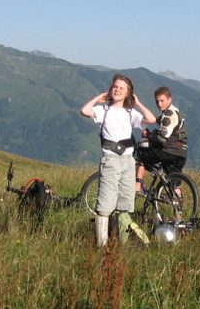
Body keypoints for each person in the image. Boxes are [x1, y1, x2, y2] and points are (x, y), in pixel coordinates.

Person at [80, 74, 156, 247]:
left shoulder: (131, 113)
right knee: (105, 204)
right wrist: (98, 99)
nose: (117, 89)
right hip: (111, 160)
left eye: (122, 88)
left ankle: (122, 241)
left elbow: (151, 119)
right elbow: (84, 111)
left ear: (128, 93)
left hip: (128, 162)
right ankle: (102, 245)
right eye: (115, 86)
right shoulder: (103, 111)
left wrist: (137, 103)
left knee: (126, 204)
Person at [135, 86, 188, 193]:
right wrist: (138, 104)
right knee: (175, 184)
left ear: (169, 99)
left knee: (140, 155)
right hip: (182, 152)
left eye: (162, 101)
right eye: (157, 101)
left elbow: (161, 139)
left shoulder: (168, 115)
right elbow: (154, 120)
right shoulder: (176, 112)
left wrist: (148, 135)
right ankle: (179, 208)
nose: (159, 104)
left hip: (169, 151)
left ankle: (137, 187)